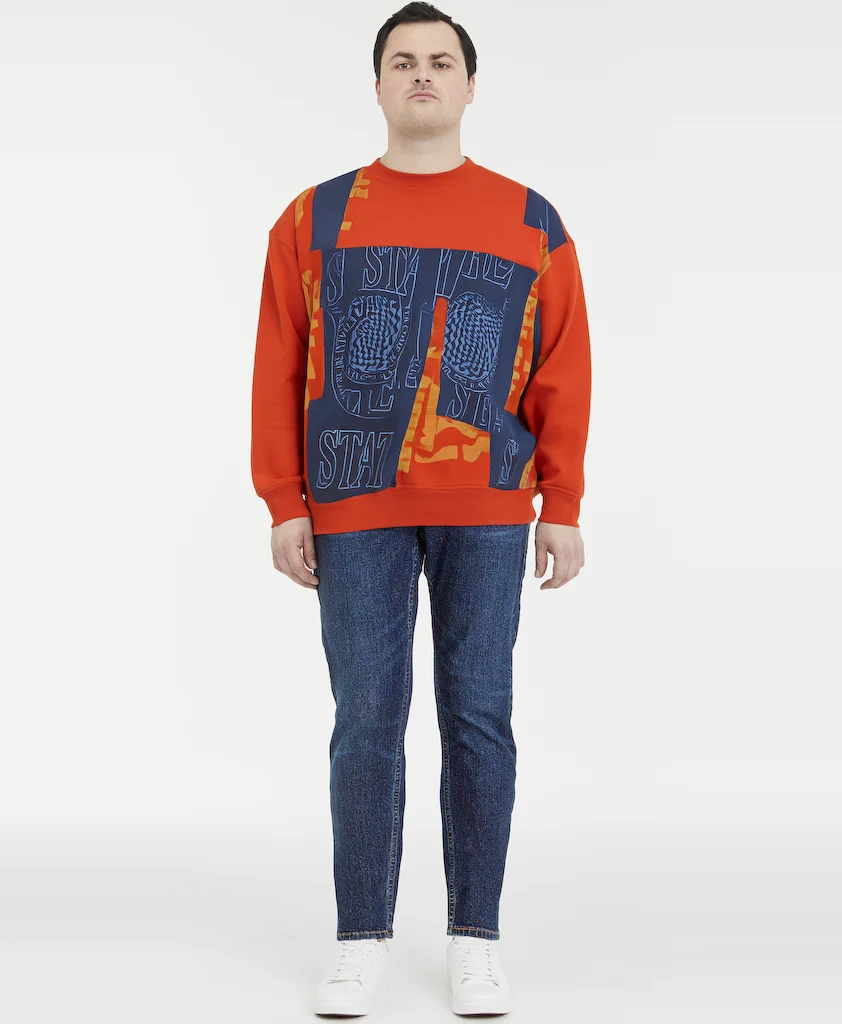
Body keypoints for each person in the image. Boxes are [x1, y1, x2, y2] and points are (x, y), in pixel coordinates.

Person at [250, 2, 592, 1015]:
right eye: (402, 61)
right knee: (365, 718)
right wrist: (282, 499)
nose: (422, 75)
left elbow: (562, 366)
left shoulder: (530, 219)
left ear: (471, 85)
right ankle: (360, 936)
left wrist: (563, 500)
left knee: (479, 715)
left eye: (441, 60)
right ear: (377, 86)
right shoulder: (311, 219)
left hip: (490, 502)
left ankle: (474, 939)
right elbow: (278, 365)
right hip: (351, 503)